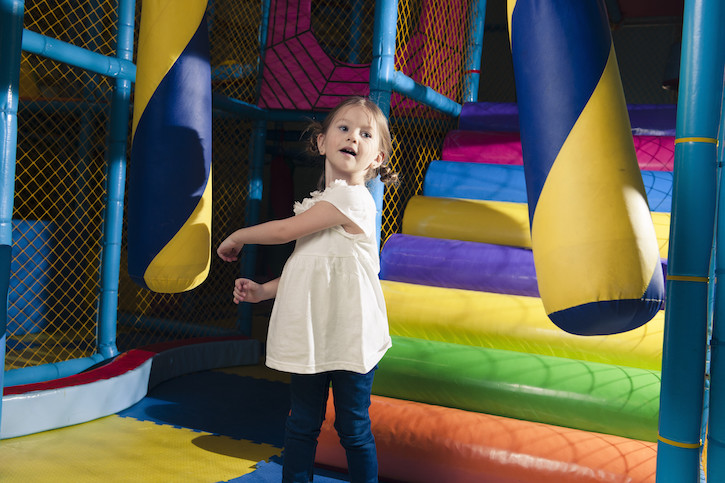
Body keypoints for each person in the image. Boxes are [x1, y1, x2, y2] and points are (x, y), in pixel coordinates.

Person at [217, 96, 398, 483]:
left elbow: (284, 232)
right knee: (301, 424)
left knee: (352, 427)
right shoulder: (321, 203)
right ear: (321, 142)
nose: (353, 137)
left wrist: (239, 235)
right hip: (314, 335)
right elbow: (310, 267)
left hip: (350, 336)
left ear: (377, 158)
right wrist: (265, 291)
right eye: (344, 128)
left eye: (366, 134)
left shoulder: (353, 199)